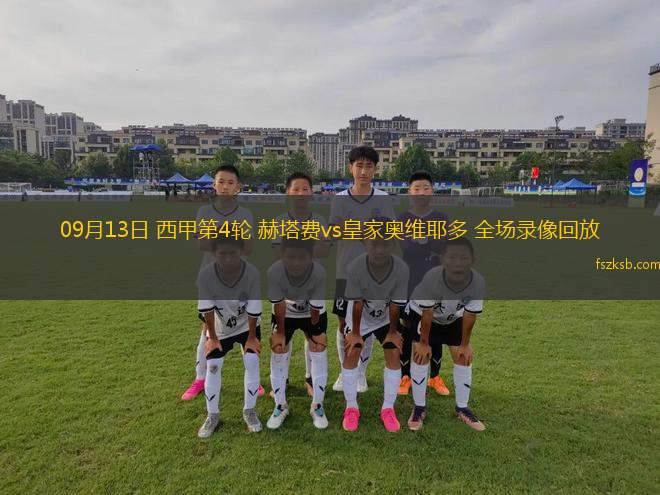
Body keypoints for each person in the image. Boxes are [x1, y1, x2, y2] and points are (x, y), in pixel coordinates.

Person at [181, 165, 262, 401]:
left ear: (238, 187)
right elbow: (202, 244)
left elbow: (248, 247)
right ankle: (200, 378)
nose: (225, 187)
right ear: (213, 184)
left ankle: (253, 380)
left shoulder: (245, 214)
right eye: (221, 182)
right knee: (208, 328)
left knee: (245, 325)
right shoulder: (205, 212)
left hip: (239, 278)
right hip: (210, 277)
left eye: (230, 182)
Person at [329, 146, 395, 394]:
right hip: (345, 271)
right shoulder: (339, 199)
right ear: (351, 168)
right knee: (343, 325)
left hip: (376, 274)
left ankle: (361, 373)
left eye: (368, 166)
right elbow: (335, 232)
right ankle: (345, 369)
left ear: (375, 170)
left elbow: (388, 233)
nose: (363, 171)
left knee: (367, 325)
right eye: (359, 165)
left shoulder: (383, 198)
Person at [406, 237, 486, 431]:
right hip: (423, 314)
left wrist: (465, 345)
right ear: (442, 259)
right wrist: (423, 343)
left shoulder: (477, 282)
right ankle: (419, 407)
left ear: (473, 260)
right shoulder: (433, 278)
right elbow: (427, 313)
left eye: (463, 257)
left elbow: (470, 315)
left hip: (452, 317)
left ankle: (462, 408)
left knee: (463, 356)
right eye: (452, 257)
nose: (457, 262)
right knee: (420, 354)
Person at [340, 232, 409, 432]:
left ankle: (388, 408)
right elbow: (358, 302)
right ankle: (351, 407)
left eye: (385, 244)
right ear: (365, 243)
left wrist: (393, 332)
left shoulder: (401, 269)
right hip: (359, 317)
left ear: (393, 244)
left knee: (393, 350)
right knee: (352, 350)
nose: (379, 250)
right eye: (374, 244)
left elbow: (396, 304)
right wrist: (355, 333)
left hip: (386, 317)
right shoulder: (356, 267)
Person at [271, 172, 331, 397]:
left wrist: (299, 250)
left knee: (312, 335)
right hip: (286, 287)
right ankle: (282, 379)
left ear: (311, 193)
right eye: (296, 189)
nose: (301, 193)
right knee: (282, 338)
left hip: (312, 284)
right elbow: (277, 253)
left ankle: (310, 378)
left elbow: (324, 250)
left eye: (305, 189)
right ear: (288, 193)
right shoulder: (279, 220)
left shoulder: (319, 220)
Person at [196, 237, 263, 437]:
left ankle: (249, 411)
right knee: (213, 365)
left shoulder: (252, 273)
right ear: (214, 253)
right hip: (220, 328)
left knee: (252, 361)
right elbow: (207, 309)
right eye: (222, 253)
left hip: (246, 325)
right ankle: (212, 415)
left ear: (241, 252)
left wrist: (252, 338)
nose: (228, 258)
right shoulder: (206, 275)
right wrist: (212, 338)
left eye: (233, 253)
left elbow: (254, 308)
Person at [266, 238, 329, 429]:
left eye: (302, 257)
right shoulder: (274, 272)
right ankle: (280, 405)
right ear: (281, 255)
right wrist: (280, 334)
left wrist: (315, 334)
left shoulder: (319, 272)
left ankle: (317, 406)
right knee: (279, 347)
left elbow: (315, 311)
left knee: (318, 347)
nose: (296, 262)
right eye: (290, 257)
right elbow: (278, 304)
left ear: (311, 256)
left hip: (312, 313)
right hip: (286, 312)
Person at [397, 170, 450, 397]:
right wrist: (430, 242)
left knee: (435, 327)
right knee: (408, 328)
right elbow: (407, 248)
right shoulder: (403, 219)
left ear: (432, 191)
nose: (421, 192)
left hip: (436, 280)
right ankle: (405, 376)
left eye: (425, 188)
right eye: (416, 188)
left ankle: (434, 377)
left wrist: (423, 242)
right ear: (410, 192)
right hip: (410, 280)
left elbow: (444, 246)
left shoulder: (441, 218)